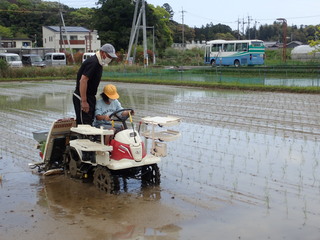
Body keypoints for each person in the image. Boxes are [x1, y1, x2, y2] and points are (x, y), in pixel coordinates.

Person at [73, 43, 117, 125]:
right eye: (109, 56)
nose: (110, 59)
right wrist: (84, 101)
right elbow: (83, 80)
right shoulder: (93, 62)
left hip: (90, 96)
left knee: (90, 122)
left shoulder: (99, 63)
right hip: (82, 96)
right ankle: (83, 138)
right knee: (84, 125)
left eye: (111, 57)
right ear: (102, 52)